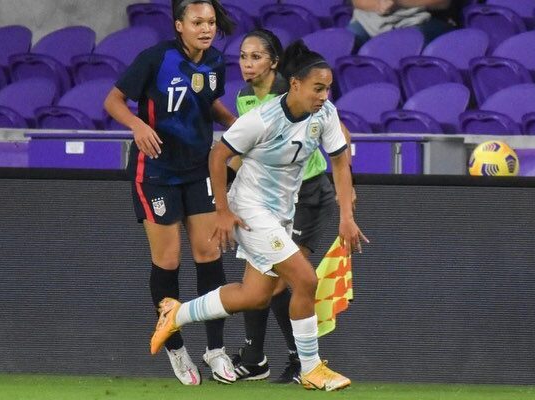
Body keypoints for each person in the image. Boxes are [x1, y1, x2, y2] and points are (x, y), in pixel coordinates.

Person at [150, 41, 368, 392]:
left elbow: (340, 163)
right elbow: (217, 157)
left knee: (254, 296)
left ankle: (176, 314)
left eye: (328, 88)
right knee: (305, 280)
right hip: (249, 208)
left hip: (281, 211)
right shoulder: (262, 119)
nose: (324, 95)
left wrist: (347, 216)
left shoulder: (325, 114)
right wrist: (222, 212)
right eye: (318, 88)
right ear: (295, 84)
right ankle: (311, 368)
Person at [103, 0, 239, 386]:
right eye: (197, 21)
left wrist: (239, 126)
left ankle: (215, 349)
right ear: (179, 25)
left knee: (209, 253)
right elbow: (112, 100)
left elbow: (207, 102)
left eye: (211, 21)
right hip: (157, 172)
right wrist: (136, 126)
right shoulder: (155, 58)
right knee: (167, 260)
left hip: (198, 170)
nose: (206, 28)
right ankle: (176, 348)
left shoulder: (214, 61)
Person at [228, 29, 353, 384]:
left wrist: (348, 198)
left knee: (287, 280)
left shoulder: (298, 90)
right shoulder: (244, 98)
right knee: (262, 282)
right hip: (269, 199)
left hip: (308, 194)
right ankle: (259, 358)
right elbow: (247, 151)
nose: (247, 64)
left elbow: (340, 136)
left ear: (274, 63)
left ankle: (300, 360)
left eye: (255, 57)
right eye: (242, 56)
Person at [347, 0, 458, 49]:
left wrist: (399, 2)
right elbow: (358, 2)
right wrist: (379, 5)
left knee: (408, 42)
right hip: (368, 21)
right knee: (346, 40)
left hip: (416, 20)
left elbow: (443, 3)